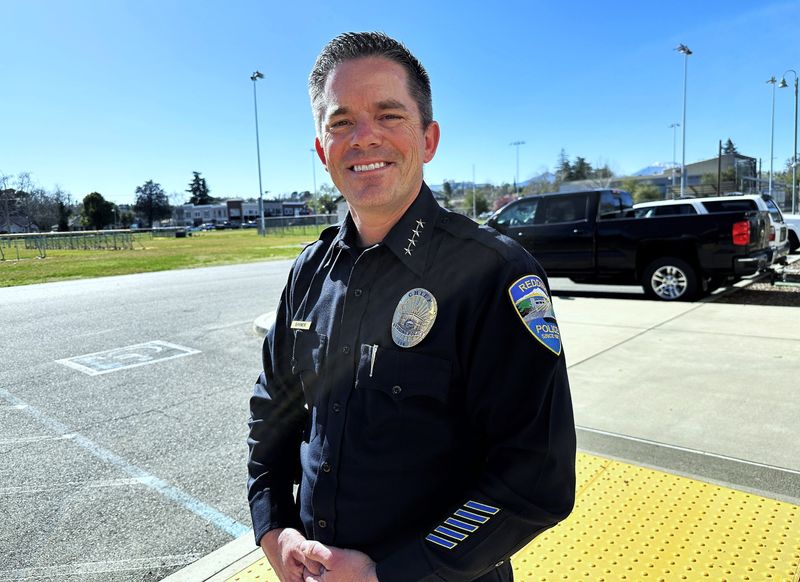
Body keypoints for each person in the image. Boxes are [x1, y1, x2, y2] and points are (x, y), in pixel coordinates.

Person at [247, 31, 576, 582]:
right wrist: (274, 530)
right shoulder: (309, 272)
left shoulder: (494, 273)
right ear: (321, 149)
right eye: (341, 122)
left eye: (389, 115)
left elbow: (535, 479)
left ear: (428, 138)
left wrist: (390, 575)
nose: (364, 137)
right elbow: (271, 414)